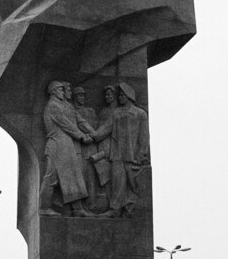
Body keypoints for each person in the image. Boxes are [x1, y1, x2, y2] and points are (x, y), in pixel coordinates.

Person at [93, 82, 150, 217]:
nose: (119, 98)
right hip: (117, 154)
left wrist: (141, 155)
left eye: (122, 95)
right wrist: (91, 136)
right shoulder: (116, 113)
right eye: (119, 95)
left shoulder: (140, 113)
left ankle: (130, 208)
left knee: (134, 184)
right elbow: (106, 128)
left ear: (129, 96)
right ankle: (115, 209)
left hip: (133, 156)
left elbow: (144, 137)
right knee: (117, 182)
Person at [39, 81, 94, 217]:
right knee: (51, 178)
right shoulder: (53, 106)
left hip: (65, 146)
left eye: (64, 90)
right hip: (57, 145)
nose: (63, 92)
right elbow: (66, 124)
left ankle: (77, 209)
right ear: (54, 91)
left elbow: (74, 121)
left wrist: (91, 133)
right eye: (61, 90)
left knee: (71, 177)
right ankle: (43, 207)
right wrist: (81, 136)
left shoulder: (62, 105)